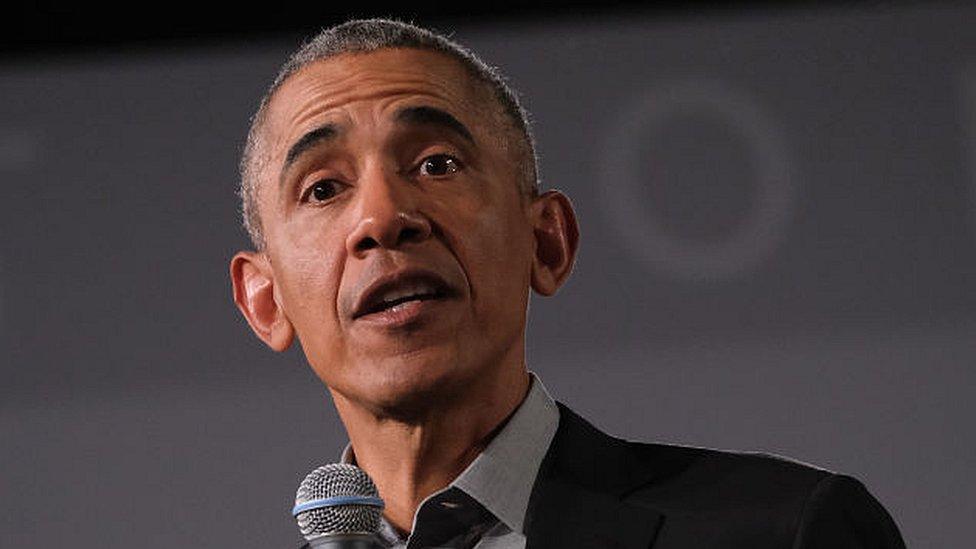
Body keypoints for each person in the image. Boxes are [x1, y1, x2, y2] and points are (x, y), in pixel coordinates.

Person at [229, 18, 906, 549]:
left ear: (547, 241)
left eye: (437, 163)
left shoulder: (783, 532)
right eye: (322, 188)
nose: (381, 218)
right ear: (266, 301)